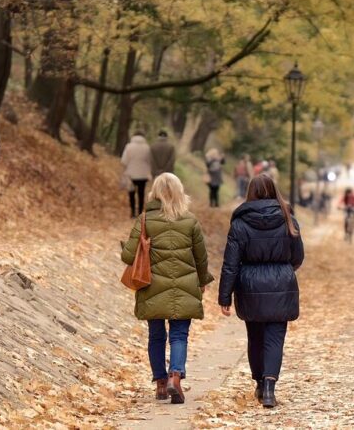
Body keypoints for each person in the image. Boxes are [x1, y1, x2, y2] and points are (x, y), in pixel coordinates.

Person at [122, 173, 214, 405]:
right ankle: (175, 377)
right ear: (179, 191)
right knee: (179, 335)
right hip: (184, 286)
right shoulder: (190, 221)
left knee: (156, 335)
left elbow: (128, 256)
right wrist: (202, 280)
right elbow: (201, 257)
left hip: (152, 286)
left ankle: (161, 384)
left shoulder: (145, 220)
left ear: (154, 193)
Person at [218, 174, 304, 408]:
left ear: (250, 192)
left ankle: (258, 382)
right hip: (281, 284)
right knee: (275, 338)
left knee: (255, 337)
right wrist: (283, 269)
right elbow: (298, 256)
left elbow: (230, 263)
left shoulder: (240, 224)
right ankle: (269, 388)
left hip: (250, 285)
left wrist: (225, 295)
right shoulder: (288, 220)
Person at [121, 132, 152, 217]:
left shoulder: (128, 146)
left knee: (131, 193)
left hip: (131, 174)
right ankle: (140, 212)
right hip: (143, 175)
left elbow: (124, 161)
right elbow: (149, 161)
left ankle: (132, 212)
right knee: (141, 194)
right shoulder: (147, 147)